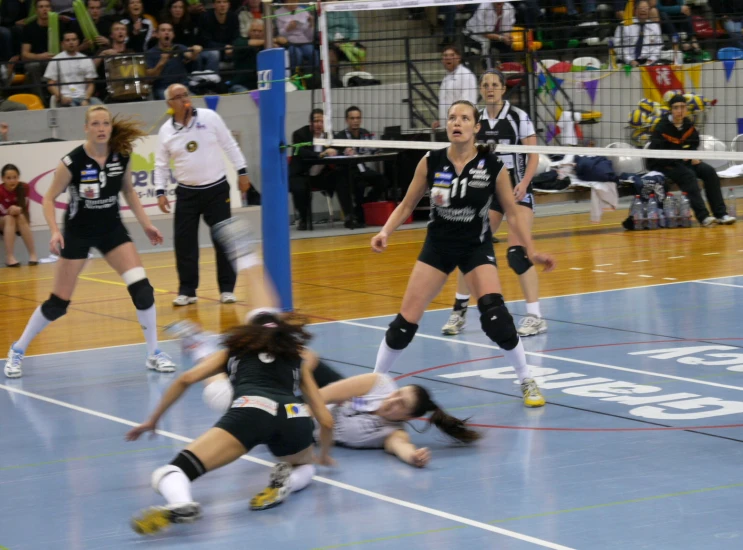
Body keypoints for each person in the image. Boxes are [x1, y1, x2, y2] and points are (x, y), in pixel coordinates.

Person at [126, 217, 334, 536]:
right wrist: (323, 454)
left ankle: (179, 502)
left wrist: (152, 420)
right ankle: (289, 483)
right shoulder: (297, 356)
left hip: (249, 411)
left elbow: (184, 381)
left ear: (247, 332)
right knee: (303, 464)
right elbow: (326, 420)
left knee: (171, 471)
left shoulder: (235, 348)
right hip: (293, 417)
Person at [369, 100, 555, 408]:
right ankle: (374, 383)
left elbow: (512, 211)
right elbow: (406, 205)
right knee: (404, 324)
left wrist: (532, 251)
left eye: (464, 118)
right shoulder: (431, 161)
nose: (457, 122)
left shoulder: (494, 167)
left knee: (496, 318)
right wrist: (385, 232)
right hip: (438, 246)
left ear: (475, 127)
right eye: (452, 117)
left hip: (475, 246)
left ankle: (526, 378)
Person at [3, 106, 176, 379]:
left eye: (105, 123)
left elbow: (128, 191)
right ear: (86, 128)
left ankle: (154, 353)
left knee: (143, 290)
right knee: (57, 304)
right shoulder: (72, 162)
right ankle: (18, 350)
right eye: (95, 123)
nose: (101, 128)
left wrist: (147, 225)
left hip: (111, 230)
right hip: (78, 232)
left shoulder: (122, 155)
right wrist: (53, 231)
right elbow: (48, 198)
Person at [441, 70, 545, 338]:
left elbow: (533, 155)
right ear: (481, 89)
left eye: (494, 85)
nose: (490, 89)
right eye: (485, 85)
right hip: (490, 193)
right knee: (469, 247)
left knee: (516, 253)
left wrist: (525, 183)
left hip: (517, 191)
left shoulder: (518, 117)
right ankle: (459, 311)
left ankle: (535, 316)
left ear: (502, 88)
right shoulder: (475, 120)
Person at [155, 83, 251, 306]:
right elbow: (160, 165)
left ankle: (227, 289)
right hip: (187, 193)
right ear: (170, 104)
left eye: (185, 95)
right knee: (184, 242)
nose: (184, 100)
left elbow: (229, 144)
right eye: (178, 97)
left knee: (224, 239)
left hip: (216, 189)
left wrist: (242, 171)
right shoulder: (166, 131)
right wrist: (160, 192)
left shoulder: (209, 117)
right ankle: (188, 291)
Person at [647, 94, 735, 226]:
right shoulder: (661, 128)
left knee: (709, 171)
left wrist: (693, 155)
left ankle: (721, 214)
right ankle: (703, 217)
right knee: (689, 175)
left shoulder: (688, 124)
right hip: (664, 165)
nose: (680, 110)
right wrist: (680, 157)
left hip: (684, 162)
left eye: (682, 107)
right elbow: (656, 155)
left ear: (686, 109)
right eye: (676, 107)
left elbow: (694, 143)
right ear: (671, 109)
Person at [289, 109, 343, 230]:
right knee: (300, 189)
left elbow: (340, 148)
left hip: (320, 175)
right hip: (301, 174)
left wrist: (338, 151)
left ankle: (350, 215)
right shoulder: (299, 134)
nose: (319, 124)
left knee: (342, 178)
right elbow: (302, 152)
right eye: (316, 121)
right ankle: (303, 218)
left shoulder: (330, 136)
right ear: (310, 122)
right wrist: (321, 154)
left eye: (321, 121)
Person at [0, 164, 38, 267]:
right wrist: (9, 211)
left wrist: (18, 209)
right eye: (8, 178)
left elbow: (25, 207)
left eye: (15, 177)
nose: (12, 181)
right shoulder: (0, 191)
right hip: (3, 220)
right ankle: (9, 257)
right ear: (2, 179)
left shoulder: (24, 187)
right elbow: (2, 211)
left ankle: (33, 255)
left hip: (18, 219)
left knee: (20, 216)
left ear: (18, 177)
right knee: (9, 218)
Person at [432, 46, 477, 131]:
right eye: (445, 56)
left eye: (452, 55)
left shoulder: (466, 75)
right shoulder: (446, 78)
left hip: (461, 128)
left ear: (458, 58)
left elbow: (468, 105)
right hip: (447, 128)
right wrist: (441, 121)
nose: (448, 58)